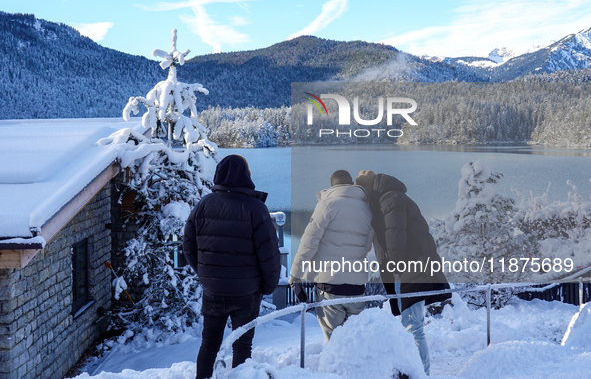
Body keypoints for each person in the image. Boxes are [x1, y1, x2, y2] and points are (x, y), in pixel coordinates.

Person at [183, 155, 280, 379]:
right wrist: (267, 287)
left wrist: (206, 273)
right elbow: (270, 255)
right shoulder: (256, 208)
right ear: (246, 176)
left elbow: (188, 246)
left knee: (209, 344)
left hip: (213, 291)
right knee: (242, 346)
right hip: (247, 292)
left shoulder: (203, 205)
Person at [355, 170, 451, 376]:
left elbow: (395, 235)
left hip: (412, 268)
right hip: (409, 268)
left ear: (369, 188)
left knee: (413, 326)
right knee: (411, 324)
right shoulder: (385, 199)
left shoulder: (391, 199)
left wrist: (396, 269)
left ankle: (421, 373)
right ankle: (418, 371)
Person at [289, 170, 373, 342]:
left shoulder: (327, 205)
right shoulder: (367, 209)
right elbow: (366, 246)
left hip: (330, 286)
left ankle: (334, 369)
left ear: (332, 184)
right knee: (355, 340)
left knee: (334, 342)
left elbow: (308, 244)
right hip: (357, 287)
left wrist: (295, 275)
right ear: (351, 184)